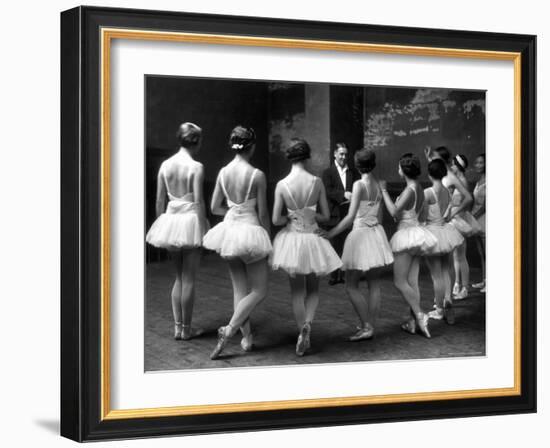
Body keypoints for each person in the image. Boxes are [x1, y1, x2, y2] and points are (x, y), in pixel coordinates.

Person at [203, 126, 272, 359]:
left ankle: (248, 338)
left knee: (239, 289)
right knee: (260, 290)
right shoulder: (257, 175)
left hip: (230, 231)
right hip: (251, 230)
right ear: (251, 146)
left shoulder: (223, 173)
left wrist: (233, 212)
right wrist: (268, 238)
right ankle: (230, 329)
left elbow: (214, 207)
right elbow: (263, 214)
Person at [271, 138, 342, 356]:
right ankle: (308, 326)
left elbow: (276, 220)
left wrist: (289, 218)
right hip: (312, 237)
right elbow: (326, 216)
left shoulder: (282, 185)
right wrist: (311, 215)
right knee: (313, 289)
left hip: (292, 239)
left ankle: (301, 327)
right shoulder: (316, 182)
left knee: (296, 292)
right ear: (307, 156)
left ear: (289, 157)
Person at [145, 122, 208, 341]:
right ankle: (187, 329)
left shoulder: (165, 165)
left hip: (171, 221)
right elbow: (199, 201)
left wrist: (161, 225)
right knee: (189, 278)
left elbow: (159, 200)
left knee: (179, 277)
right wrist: (203, 227)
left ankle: (178, 327)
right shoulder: (196, 167)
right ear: (196, 141)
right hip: (190, 221)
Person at [325, 149, 394, 341]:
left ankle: (366, 326)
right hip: (375, 233)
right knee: (374, 284)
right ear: (373, 164)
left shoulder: (358, 184)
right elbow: (379, 217)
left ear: (357, 165)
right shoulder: (379, 185)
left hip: (361, 235)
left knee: (351, 285)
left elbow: (348, 218)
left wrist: (329, 234)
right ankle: (369, 324)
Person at [380, 153, 437, 338]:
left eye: (398, 167)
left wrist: (384, 191)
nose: (397, 169)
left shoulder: (409, 191)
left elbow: (394, 213)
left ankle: (420, 314)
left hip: (405, 236)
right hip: (416, 234)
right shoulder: (419, 188)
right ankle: (413, 322)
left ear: (403, 171)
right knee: (412, 282)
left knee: (399, 281)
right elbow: (422, 214)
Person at [424, 146, 475, 301]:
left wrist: (453, 212)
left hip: (453, 219)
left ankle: (464, 287)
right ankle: (452, 289)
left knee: (459, 256)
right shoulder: (440, 174)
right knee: (450, 259)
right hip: (442, 222)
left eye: (435, 158)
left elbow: (468, 198)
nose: (433, 160)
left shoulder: (451, 177)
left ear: (443, 160)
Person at [420, 159, 464, 324]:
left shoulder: (428, 192)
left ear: (429, 174)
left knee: (435, 275)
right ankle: (448, 300)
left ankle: (439, 309)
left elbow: (423, 217)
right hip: (446, 232)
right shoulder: (447, 191)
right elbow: (447, 213)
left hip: (432, 233)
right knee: (446, 269)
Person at [322, 143, 359, 285]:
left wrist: (352, 196)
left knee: (346, 245)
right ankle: (333, 275)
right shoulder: (328, 172)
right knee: (333, 246)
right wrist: (343, 194)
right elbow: (327, 191)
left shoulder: (353, 172)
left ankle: (343, 274)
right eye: (341, 154)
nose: (343, 157)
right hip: (334, 213)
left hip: (348, 213)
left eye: (345, 154)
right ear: (335, 154)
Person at [471, 153, 486, 293]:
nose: (478, 165)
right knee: (481, 253)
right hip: (476, 219)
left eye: (481, 163)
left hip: (484, 219)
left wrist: (472, 217)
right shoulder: (479, 180)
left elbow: (484, 206)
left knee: (488, 252)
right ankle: (484, 280)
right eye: (477, 163)